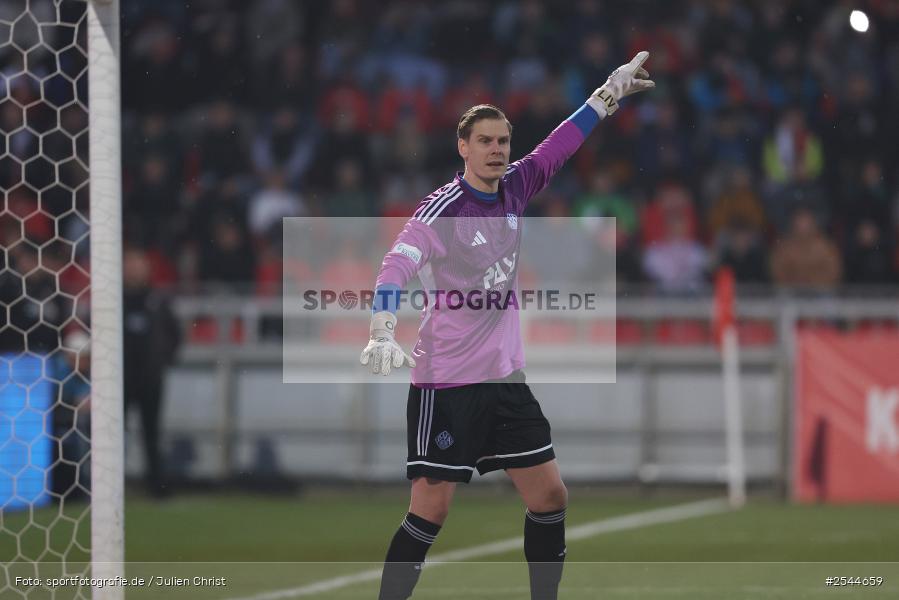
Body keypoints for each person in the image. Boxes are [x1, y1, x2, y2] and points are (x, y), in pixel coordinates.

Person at [360, 53, 655, 600]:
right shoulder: (442, 210)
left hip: (504, 380)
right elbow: (396, 263)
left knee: (550, 497)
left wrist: (606, 96)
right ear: (463, 148)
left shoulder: (515, 188)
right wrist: (382, 326)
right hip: (447, 383)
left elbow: (557, 148)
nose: (497, 150)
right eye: (485, 141)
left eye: (503, 141)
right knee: (430, 511)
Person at [123, 247, 181, 497]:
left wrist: (163, 360)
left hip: (149, 377)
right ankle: (112, 484)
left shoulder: (157, 300)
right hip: (119, 379)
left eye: (140, 265)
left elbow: (175, 334)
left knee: (152, 433)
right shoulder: (114, 299)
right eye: (131, 265)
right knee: (115, 433)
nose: (136, 271)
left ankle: (155, 486)